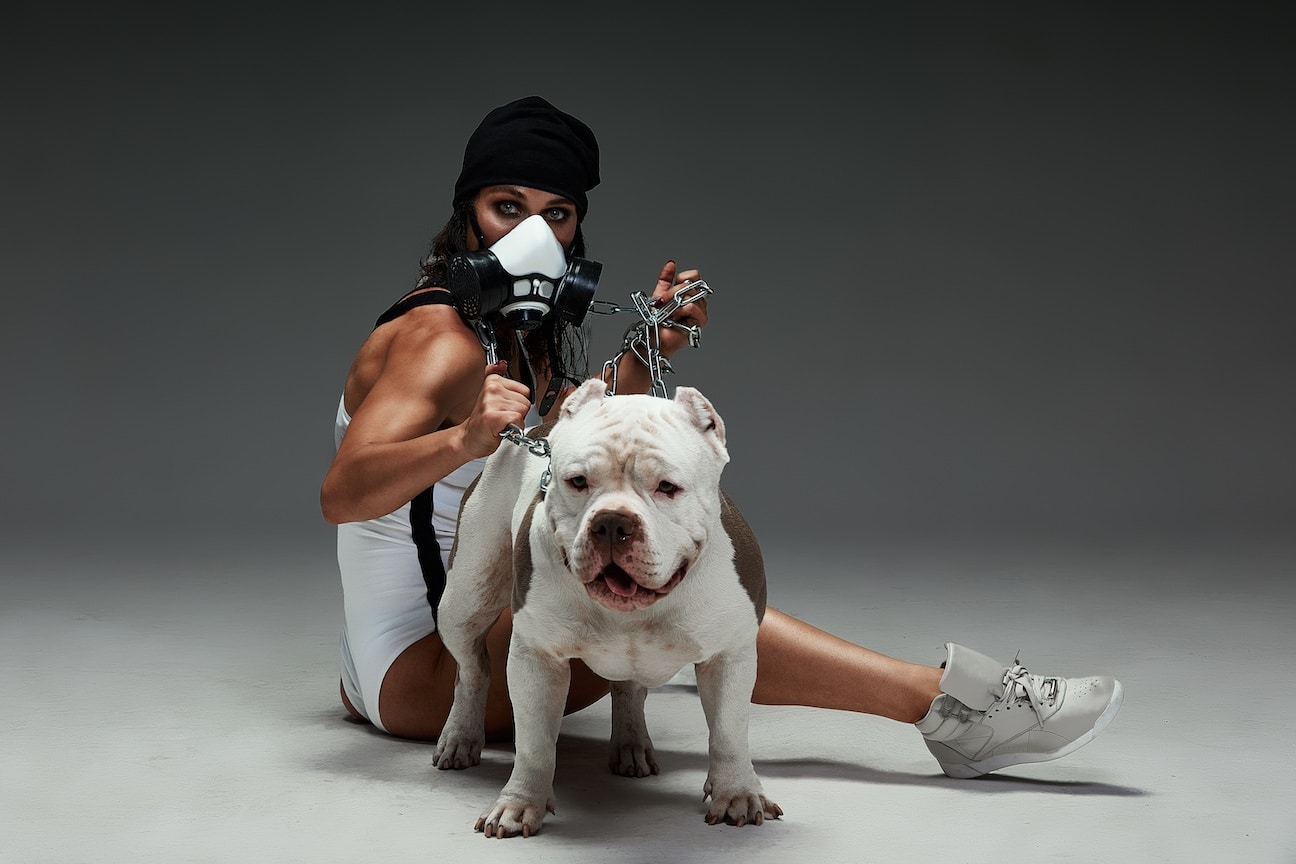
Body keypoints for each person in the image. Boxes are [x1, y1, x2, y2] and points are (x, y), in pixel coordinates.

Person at [319, 95, 1123, 780]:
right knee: (710, 592)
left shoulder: (506, 334)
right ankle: (947, 707)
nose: (532, 236)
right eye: (507, 207)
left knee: (645, 546)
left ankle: (945, 704)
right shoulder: (441, 337)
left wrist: (648, 353)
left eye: (555, 214)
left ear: (577, 230)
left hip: (413, 655)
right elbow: (343, 492)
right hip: (424, 671)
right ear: (466, 215)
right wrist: (462, 440)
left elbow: (572, 449)